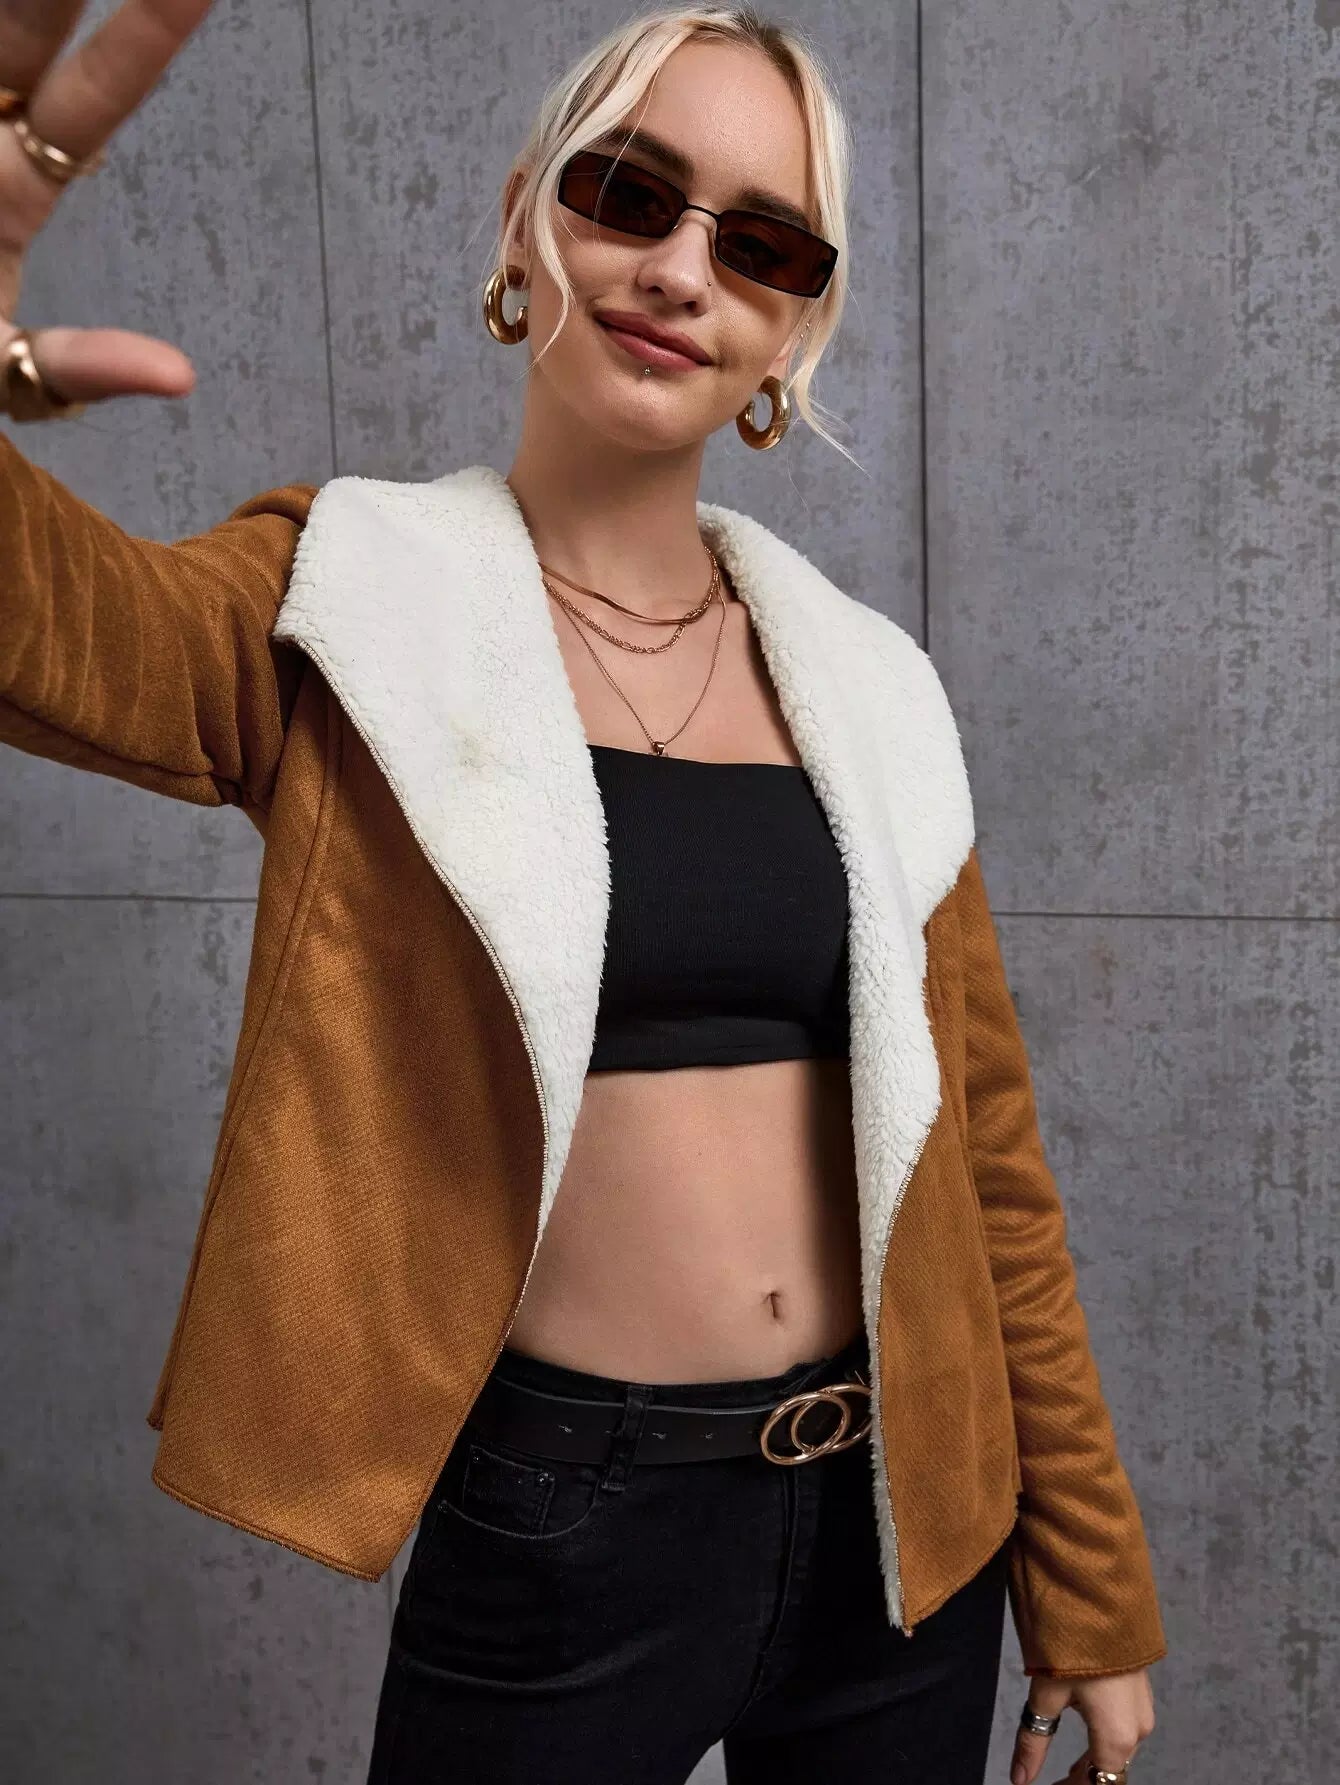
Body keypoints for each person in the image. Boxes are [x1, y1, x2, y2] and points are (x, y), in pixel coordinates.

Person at [0, 3, 1166, 1781]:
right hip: (565, 1527)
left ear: (791, 327)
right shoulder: (348, 597)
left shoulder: (872, 686)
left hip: (901, 1529)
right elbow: (54, 634)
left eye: (762, 244)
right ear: (522, 222)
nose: (682, 268)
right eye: (629, 191)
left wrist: (1091, 1585)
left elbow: (990, 1172)